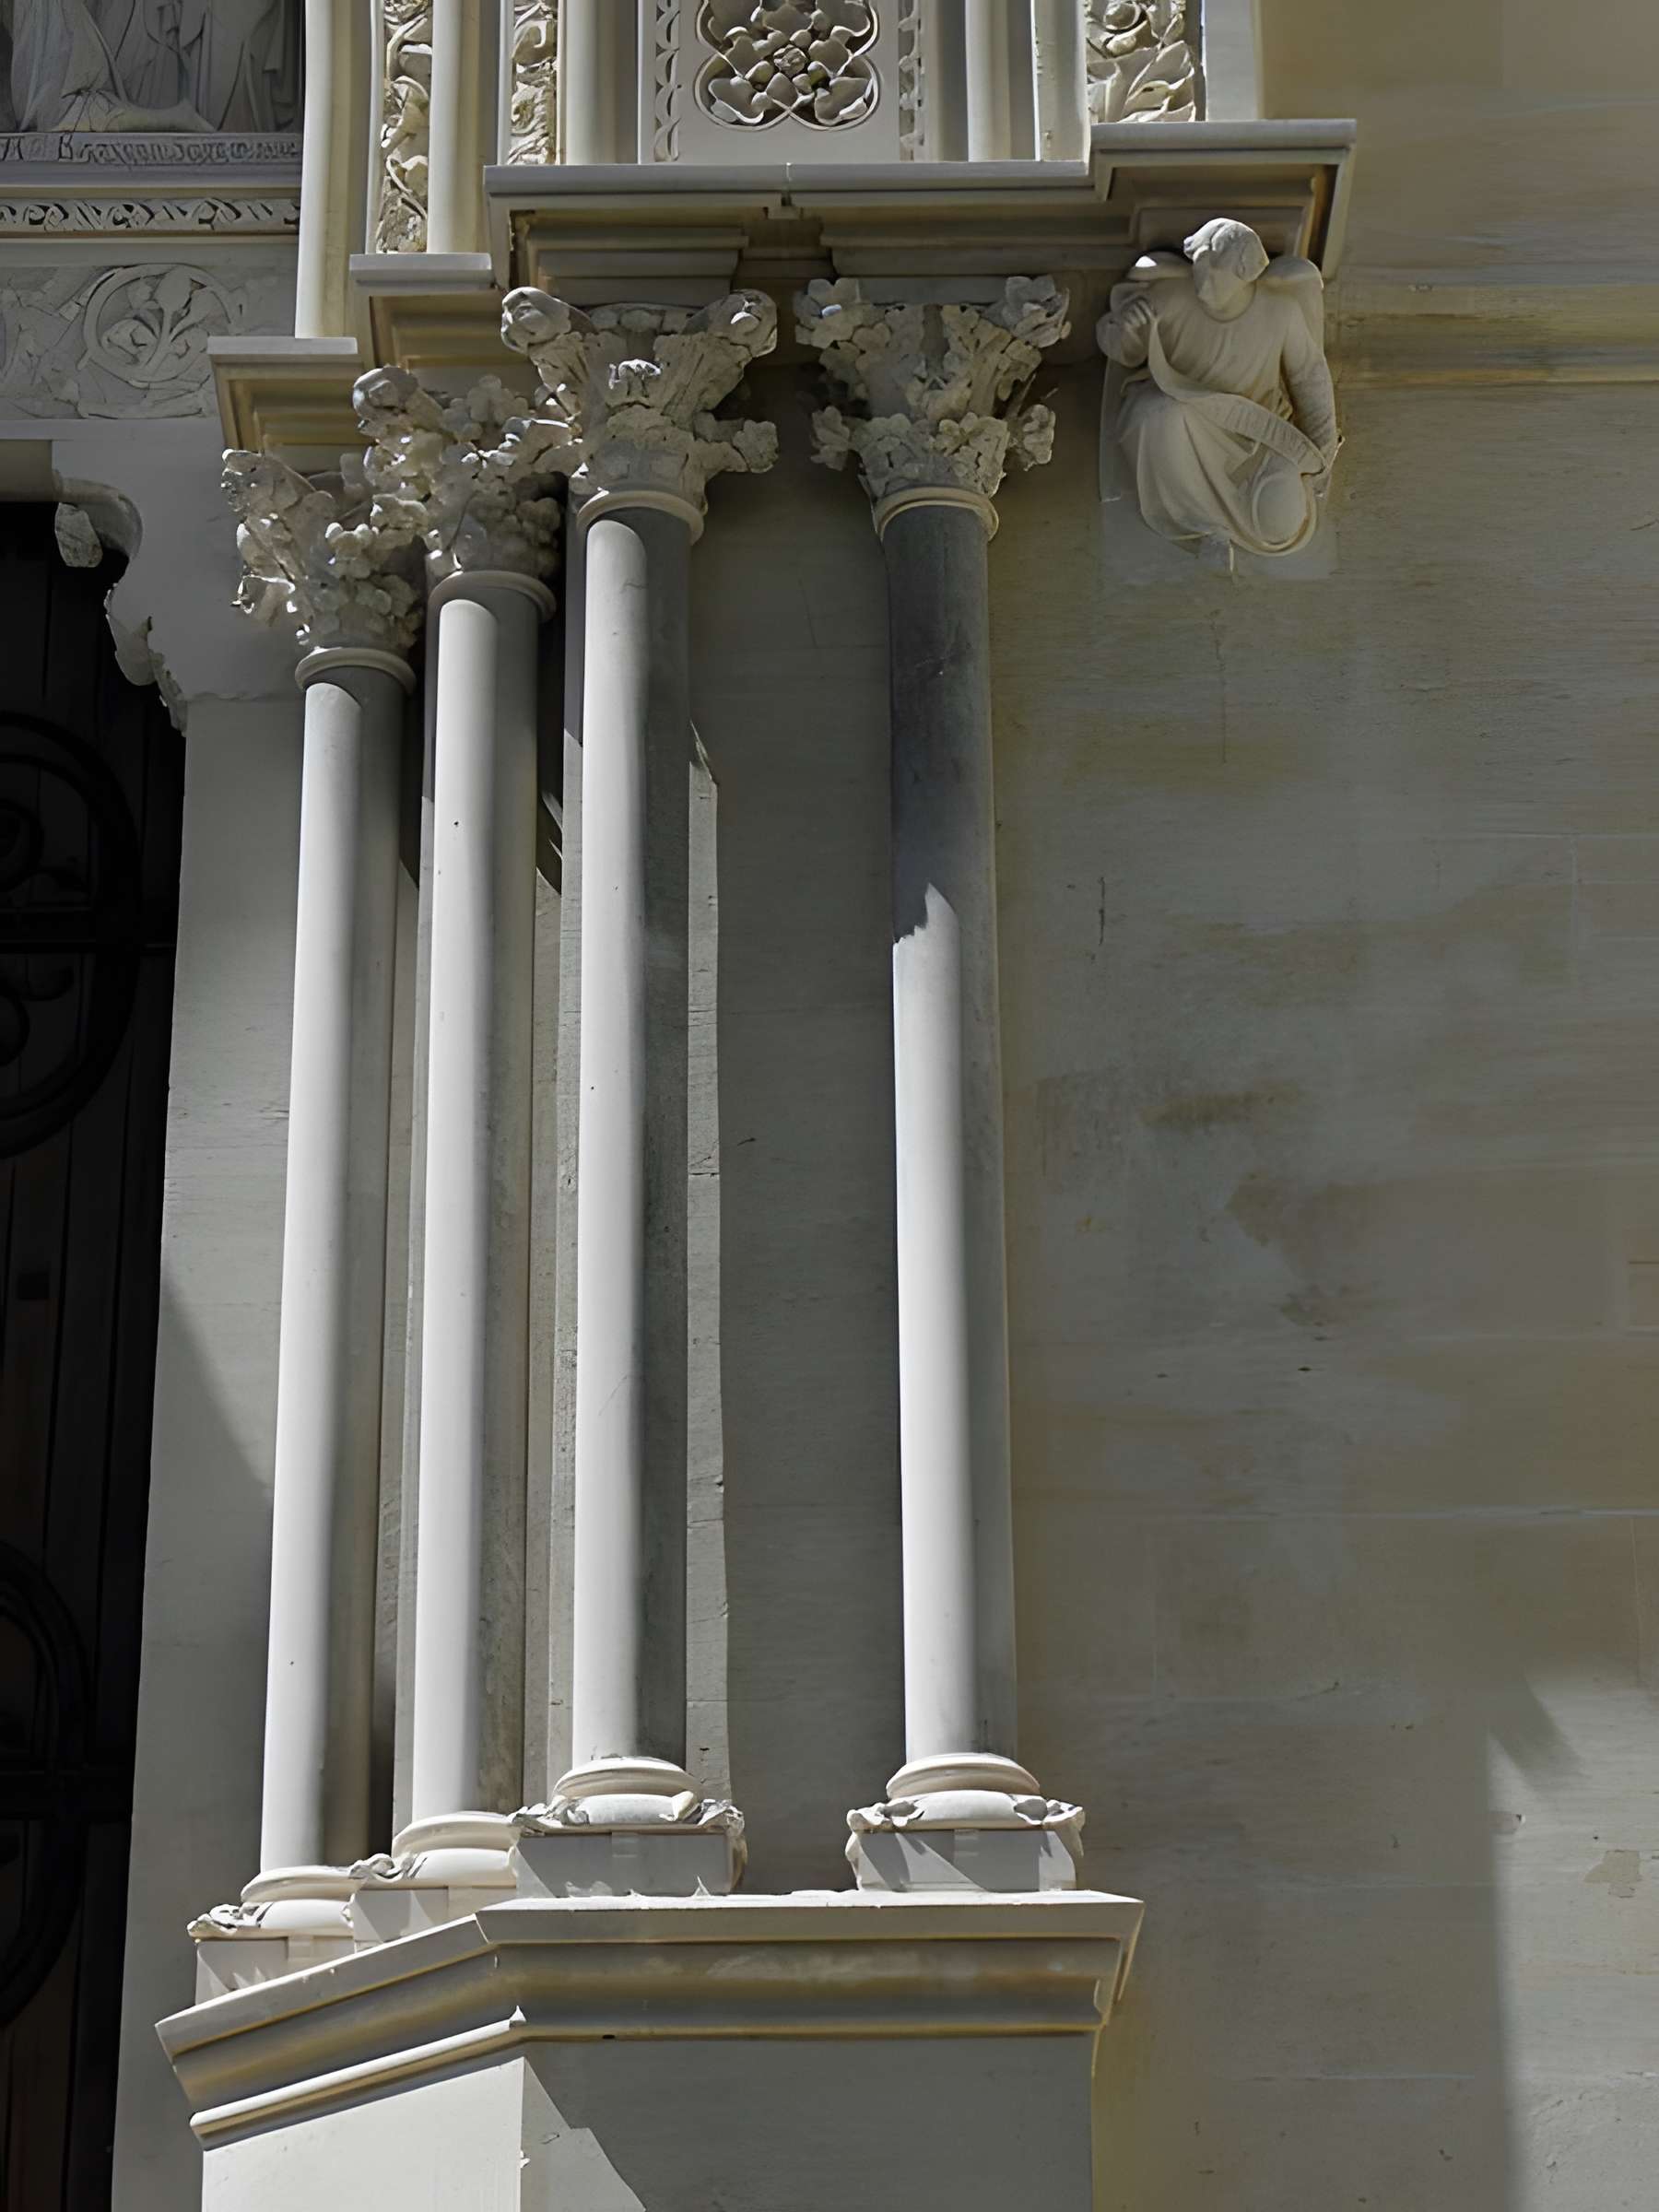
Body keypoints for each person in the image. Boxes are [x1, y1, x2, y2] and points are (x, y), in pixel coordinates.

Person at [1097, 217, 1340, 566]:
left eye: (1217, 271)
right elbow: (1124, 351)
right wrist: (1126, 327)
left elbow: (1309, 377)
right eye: (1200, 267)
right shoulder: (1169, 297)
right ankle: (1202, 525)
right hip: (1184, 420)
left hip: (1252, 432)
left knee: (1280, 521)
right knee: (1161, 413)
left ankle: (1248, 513)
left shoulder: (1279, 311)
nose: (1203, 280)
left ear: (1245, 273)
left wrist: (1322, 452)